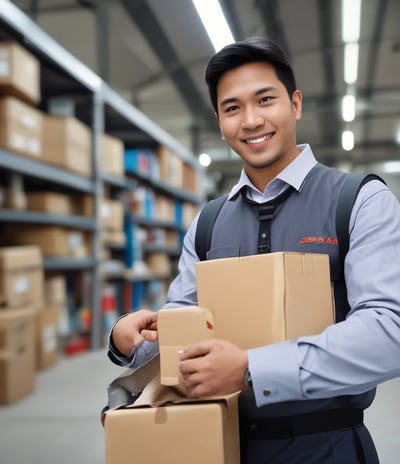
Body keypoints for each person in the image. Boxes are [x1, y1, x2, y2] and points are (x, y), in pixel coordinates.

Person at [108, 36, 400, 463]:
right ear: (219, 121)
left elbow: (389, 331)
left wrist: (251, 367)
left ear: (295, 104)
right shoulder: (209, 222)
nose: (250, 120)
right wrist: (132, 340)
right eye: (232, 108)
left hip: (328, 446)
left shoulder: (358, 201)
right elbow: (185, 326)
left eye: (265, 99)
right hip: (220, 444)